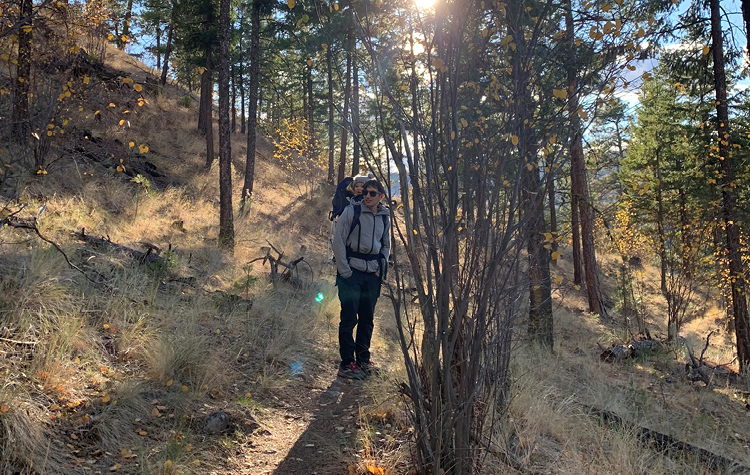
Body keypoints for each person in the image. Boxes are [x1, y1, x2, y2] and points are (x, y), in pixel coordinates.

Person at [332, 179, 390, 379]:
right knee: (349, 318)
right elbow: (338, 241)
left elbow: (386, 245)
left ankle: (363, 361)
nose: (367, 195)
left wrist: (380, 271)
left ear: (381, 196)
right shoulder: (352, 211)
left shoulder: (384, 216)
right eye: (365, 192)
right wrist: (345, 271)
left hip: (372, 275)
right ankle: (347, 364)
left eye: (372, 193)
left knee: (367, 319)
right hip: (351, 273)